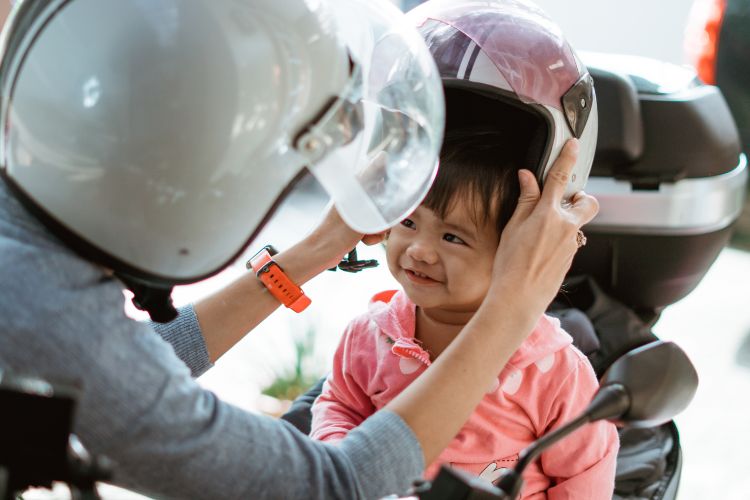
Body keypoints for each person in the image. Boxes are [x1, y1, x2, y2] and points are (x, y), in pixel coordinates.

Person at [0, 0, 597, 499]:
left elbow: (135, 365)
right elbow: (329, 485)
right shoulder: (48, 316)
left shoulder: (29, 271)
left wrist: (315, 250)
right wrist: (512, 308)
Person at [310, 129, 619, 498]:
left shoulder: (552, 370)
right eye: (409, 222)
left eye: (452, 237)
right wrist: (341, 465)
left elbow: (585, 473)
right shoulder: (369, 335)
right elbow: (340, 405)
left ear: (517, 251)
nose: (419, 250)